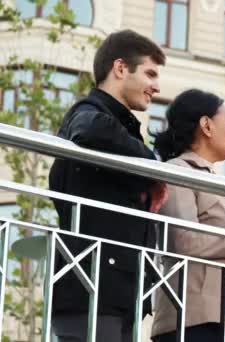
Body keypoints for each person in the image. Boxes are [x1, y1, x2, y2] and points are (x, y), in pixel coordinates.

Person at [48, 29, 168, 342]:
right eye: (150, 73)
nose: (156, 86)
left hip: (115, 295)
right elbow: (90, 129)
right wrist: (153, 169)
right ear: (119, 68)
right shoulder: (88, 113)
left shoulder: (123, 131)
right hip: (90, 290)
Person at [150, 89, 225, 342]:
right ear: (206, 125)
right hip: (194, 320)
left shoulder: (214, 181)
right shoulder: (178, 171)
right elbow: (184, 241)